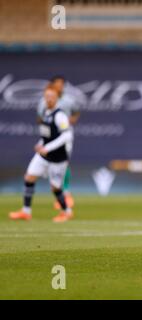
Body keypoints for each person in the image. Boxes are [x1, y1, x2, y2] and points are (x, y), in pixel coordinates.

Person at [9, 85, 74, 222]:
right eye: (47, 97)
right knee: (29, 177)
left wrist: (48, 148)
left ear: (57, 99)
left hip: (57, 158)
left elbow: (67, 136)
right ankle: (26, 212)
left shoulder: (60, 115)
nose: (49, 99)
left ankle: (66, 211)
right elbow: (47, 135)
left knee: (55, 187)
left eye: (52, 97)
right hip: (43, 156)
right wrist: (40, 144)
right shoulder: (45, 112)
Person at [37, 75, 80, 210]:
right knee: (48, 163)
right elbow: (40, 117)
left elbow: (76, 112)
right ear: (52, 85)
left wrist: (71, 120)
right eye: (57, 84)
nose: (60, 86)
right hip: (50, 136)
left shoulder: (68, 100)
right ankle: (59, 193)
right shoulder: (44, 101)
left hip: (64, 134)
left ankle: (65, 193)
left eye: (62, 84)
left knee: (63, 162)